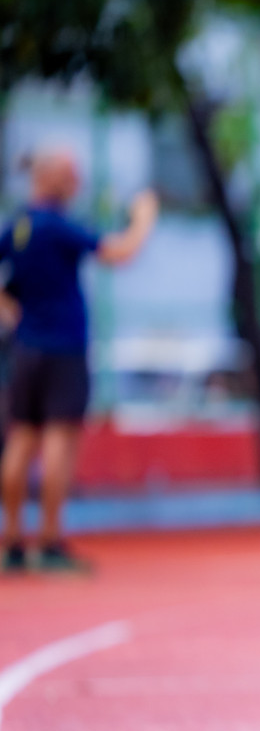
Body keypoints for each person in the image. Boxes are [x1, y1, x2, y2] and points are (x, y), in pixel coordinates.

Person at [0, 150, 157, 573]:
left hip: (26, 347)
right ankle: (49, 540)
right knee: (58, 441)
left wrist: (11, 310)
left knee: (20, 439)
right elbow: (119, 252)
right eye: (71, 174)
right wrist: (143, 218)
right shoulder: (58, 227)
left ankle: (12, 541)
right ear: (51, 178)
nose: (78, 181)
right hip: (62, 347)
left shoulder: (18, 227)